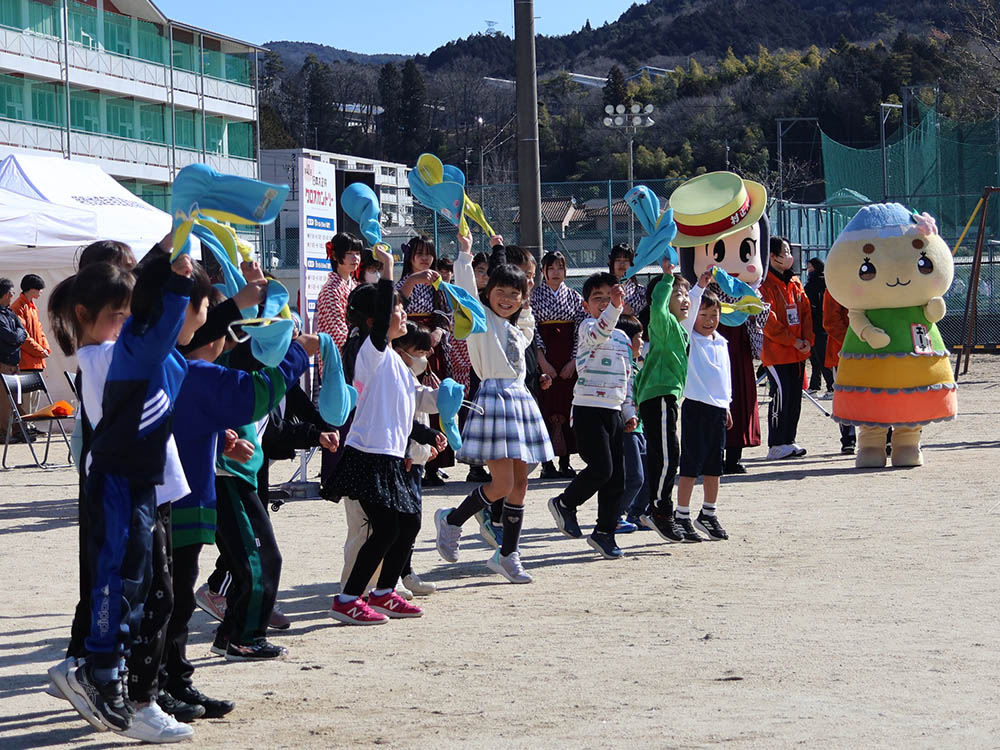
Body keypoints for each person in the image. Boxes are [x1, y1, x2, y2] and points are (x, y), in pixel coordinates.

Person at [60, 253, 204, 735]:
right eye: (116, 317)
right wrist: (177, 283)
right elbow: (157, 338)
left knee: (140, 586)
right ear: (84, 315)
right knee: (117, 582)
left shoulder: (120, 351)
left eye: (127, 317)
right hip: (119, 480)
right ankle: (101, 674)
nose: (125, 325)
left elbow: (173, 358)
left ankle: (110, 677)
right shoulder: (102, 356)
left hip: (140, 480)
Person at [435, 233, 553, 584]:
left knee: (520, 484)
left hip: (519, 402)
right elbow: (469, 291)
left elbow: (528, 320)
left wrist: (524, 287)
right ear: (488, 293)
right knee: (502, 483)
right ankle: (452, 519)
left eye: (514, 294)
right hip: (495, 400)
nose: (507, 299)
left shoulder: (519, 330)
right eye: (500, 292)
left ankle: (507, 554)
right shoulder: (480, 321)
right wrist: (465, 255)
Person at [326, 244, 427, 624]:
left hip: (390, 454)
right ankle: (348, 598)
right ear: (374, 323)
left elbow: (401, 409)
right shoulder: (371, 351)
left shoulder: (398, 364)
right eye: (395, 310)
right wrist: (388, 271)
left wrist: (423, 434)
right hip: (368, 454)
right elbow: (385, 311)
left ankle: (384, 592)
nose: (401, 313)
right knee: (384, 528)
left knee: (408, 524)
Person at [547, 272, 635, 559]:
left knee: (617, 477)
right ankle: (565, 503)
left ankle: (605, 533)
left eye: (610, 297)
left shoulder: (623, 337)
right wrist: (616, 307)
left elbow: (627, 377)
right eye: (598, 299)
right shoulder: (587, 328)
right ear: (585, 305)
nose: (606, 303)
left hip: (614, 411)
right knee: (601, 468)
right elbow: (600, 332)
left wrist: (628, 410)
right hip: (587, 410)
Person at [635, 263, 691, 543]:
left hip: (666, 397)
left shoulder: (681, 330)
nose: (686, 300)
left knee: (664, 455)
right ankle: (659, 509)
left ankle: (656, 508)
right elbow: (657, 305)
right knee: (669, 455)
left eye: (687, 294)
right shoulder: (663, 321)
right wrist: (667, 278)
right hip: (658, 395)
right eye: (679, 294)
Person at [674, 272, 732, 542]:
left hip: (718, 410)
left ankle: (708, 513)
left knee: (714, 466)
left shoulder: (721, 342)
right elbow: (690, 312)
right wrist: (700, 286)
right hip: (695, 407)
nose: (709, 321)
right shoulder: (690, 338)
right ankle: (682, 515)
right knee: (690, 465)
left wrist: (727, 405)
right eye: (704, 315)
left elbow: (725, 377)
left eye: (714, 315)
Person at [395, 235, 453, 486]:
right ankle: (415, 456)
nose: (424, 258)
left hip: (433, 347)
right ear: (410, 257)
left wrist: (438, 333)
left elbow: (445, 314)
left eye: (428, 253)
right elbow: (397, 309)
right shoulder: (403, 283)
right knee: (414, 402)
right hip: (409, 344)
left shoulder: (439, 285)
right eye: (419, 253)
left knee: (436, 397)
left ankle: (435, 463)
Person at [531, 251, 584, 479]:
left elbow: (581, 332)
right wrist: (542, 361)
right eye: (551, 268)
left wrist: (573, 361)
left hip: (568, 358)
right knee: (545, 406)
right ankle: (547, 462)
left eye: (560, 268)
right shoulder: (533, 297)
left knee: (567, 406)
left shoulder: (574, 296)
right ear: (543, 271)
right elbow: (532, 329)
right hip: (545, 356)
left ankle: (565, 460)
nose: (555, 273)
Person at [760, 237, 814, 459]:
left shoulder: (795, 282)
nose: (790, 256)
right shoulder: (764, 285)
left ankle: (789, 440)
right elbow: (769, 322)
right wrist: (793, 341)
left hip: (798, 353)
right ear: (772, 256)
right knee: (780, 396)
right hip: (776, 353)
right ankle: (776, 443)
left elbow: (806, 313)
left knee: (794, 397)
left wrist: (807, 341)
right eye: (786, 251)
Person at [616, 314, 648, 531]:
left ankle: (637, 513)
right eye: (639, 337)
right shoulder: (622, 365)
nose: (642, 343)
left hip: (641, 429)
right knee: (634, 477)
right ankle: (615, 514)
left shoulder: (637, 365)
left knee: (648, 475)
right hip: (627, 429)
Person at [823, 288, 857, 455]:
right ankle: (848, 439)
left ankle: (884, 437)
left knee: (879, 394)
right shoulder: (837, 285)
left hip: (872, 349)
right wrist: (853, 343)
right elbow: (831, 321)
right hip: (842, 351)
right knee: (845, 397)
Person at [11, 274, 50, 417]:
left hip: (36, 360)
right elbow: (23, 337)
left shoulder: (32, 307)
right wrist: (41, 351)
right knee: (27, 397)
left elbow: (39, 330)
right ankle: (26, 425)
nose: (41, 292)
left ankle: (31, 424)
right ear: (32, 289)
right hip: (26, 360)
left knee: (35, 396)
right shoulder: (18, 307)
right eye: (39, 289)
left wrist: (45, 348)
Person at [804, 258, 834, 396]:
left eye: (810, 267)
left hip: (816, 325)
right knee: (816, 357)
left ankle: (832, 387)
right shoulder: (828, 283)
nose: (808, 270)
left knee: (820, 358)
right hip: (823, 325)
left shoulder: (813, 284)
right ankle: (814, 386)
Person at [0, 277, 26, 438]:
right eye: (11, 293)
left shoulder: (9, 312)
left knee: (17, 399)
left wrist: (18, 336)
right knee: (3, 401)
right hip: (3, 362)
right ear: (4, 294)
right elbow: (9, 336)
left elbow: (23, 331)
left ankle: (19, 430)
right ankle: (2, 433)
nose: (12, 295)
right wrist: (18, 336)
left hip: (14, 362)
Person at [609, 243, 648, 316]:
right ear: (611, 263)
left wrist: (631, 314)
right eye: (618, 260)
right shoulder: (604, 288)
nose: (622, 264)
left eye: (626, 260)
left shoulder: (641, 292)